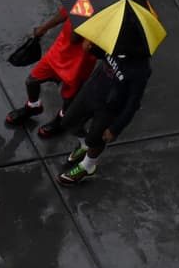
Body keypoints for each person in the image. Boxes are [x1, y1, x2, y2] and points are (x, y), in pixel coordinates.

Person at [56, 47, 152, 186]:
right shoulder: (113, 42)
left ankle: (88, 167)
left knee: (96, 139)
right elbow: (100, 53)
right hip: (92, 91)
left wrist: (115, 128)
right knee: (68, 122)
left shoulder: (141, 70)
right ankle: (84, 145)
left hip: (110, 107)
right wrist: (90, 47)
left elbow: (133, 103)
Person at [4, 7, 96, 137]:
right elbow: (64, 14)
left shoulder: (105, 21)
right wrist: (44, 28)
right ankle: (33, 106)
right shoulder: (85, 0)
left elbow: (74, 39)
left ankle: (62, 120)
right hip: (59, 53)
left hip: (78, 65)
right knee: (32, 80)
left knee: (69, 98)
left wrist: (83, 24)